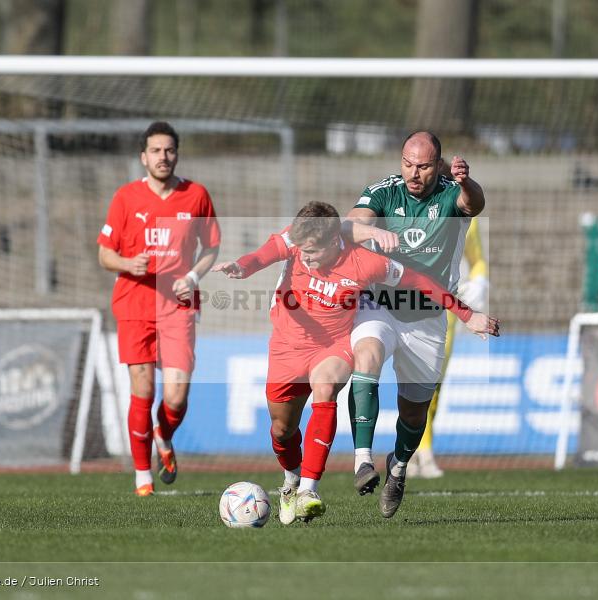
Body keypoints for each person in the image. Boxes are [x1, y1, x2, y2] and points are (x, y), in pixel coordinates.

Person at [212, 201, 497, 524]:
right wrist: (242, 267)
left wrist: (467, 314)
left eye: (312, 252)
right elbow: (262, 255)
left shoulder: (365, 262)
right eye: (301, 251)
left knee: (326, 388)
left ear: (334, 242)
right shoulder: (297, 239)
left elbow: (419, 281)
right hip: (287, 347)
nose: (305, 257)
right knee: (282, 429)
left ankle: (308, 491)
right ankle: (291, 481)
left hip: (333, 344)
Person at [342, 130, 487, 517]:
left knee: (413, 412)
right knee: (366, 356)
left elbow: (474, 203)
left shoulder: (450, 195)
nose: (413, 173)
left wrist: (466, 182)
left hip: (428, 316)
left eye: (422, 166)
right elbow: (349, 224)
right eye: (407, 163)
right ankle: (362, 461)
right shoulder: (384, 191)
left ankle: (399, 466)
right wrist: (372, 230)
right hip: (380, 305)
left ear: (437, 165)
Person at [97, 121, 221, 496]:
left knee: (177, 396)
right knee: (143, 388)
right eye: (155, 150)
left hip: (178, 305)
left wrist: (194, 277)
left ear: (176, 154)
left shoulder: (195, 195)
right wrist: (127, 263)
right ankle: (142, 478)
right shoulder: (126, 198)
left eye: (169, 150)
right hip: (134, 303)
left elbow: (211, 246)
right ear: (143, 157)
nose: (162, 157)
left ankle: (163, 435)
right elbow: (104, 254)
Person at [407, 219, 489, 478]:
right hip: (410, 305)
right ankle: (413, 450)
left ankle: (422, 449)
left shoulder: (466, 218)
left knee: (434, 381)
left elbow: (478, 260)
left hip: (446, 308)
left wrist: (479, 282)